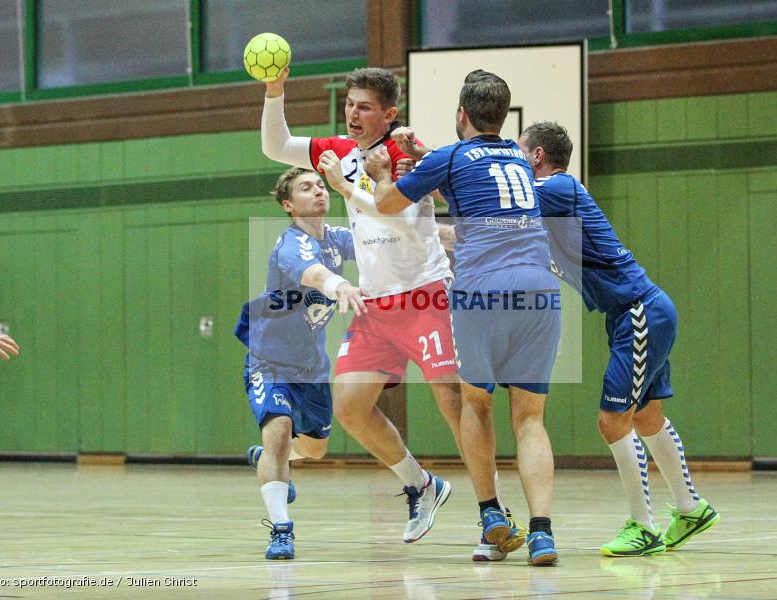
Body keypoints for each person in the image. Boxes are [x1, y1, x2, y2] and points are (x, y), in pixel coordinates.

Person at [367, 70, 561, 566]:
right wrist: (422, 154)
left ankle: (492, 514)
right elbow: (466, 176)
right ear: (503, 115)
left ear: (462, 115)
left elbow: (390, 204)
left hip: (483, 289)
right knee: (531, 418)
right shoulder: (519, 157)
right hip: (539, 286)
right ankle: (542, 534)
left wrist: (384, 171)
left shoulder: (450, 157)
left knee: (475, 405)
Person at [260, 65, 460, 543]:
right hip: (377, 305)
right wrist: (274, 90)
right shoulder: (340, 151)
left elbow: (404, 219)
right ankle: (421, 484)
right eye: (349, 103)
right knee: (349, 408)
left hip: (424, 293)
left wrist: (348, 189)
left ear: (388, 113)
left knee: (454, 405)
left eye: (364, 106)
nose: (353, 112)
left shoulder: (402, 153)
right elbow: (274, 146)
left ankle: (494, 513)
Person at [517, 121, 720, 556]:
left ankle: (643, 527)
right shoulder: (549, 209)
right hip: (636, 312)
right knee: (646, 417)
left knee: (612, 421)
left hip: (638, 312)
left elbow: (499, 201)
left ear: (536, 156)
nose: (514, 160)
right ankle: (690, 508)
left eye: (518, 152)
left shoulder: (555, 187)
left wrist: (446, 172)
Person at [235, 167, 365, 560]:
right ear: (288, 205)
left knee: (315, 449)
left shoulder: (338, 239)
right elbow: (313, 273)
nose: (318, 191)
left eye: (321, 185)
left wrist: (448, 239)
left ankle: (270, 460)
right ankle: (281, 531)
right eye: (306, 188)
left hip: (311, 368)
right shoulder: (290, 244)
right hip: (268, 360)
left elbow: (386, 245)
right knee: (279, 430)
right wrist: (340, 285)